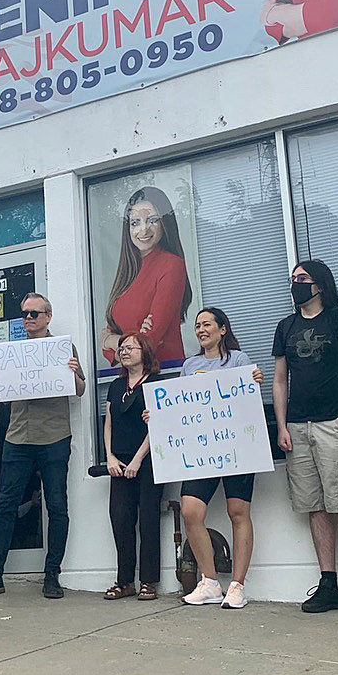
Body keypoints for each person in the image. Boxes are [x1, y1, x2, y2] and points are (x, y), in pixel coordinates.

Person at [272, 260, 338, 618]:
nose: (296, 284)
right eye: (293, 280)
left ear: (319, 284)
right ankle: (328, 584)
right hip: (298, 428)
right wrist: (282, 425)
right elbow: (279, 380)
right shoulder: (285, 326)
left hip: (335, 423)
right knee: (315, 506)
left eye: (302, 279)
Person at [0, 293, 86, 601]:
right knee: (5, 505)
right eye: (24, 314)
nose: (28, 319)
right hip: (18, 436)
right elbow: (1, 395)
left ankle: (52, 574)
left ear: (48, 316)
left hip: (54, 436)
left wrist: (74, 372)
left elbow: (81, 390)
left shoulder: (63, 348)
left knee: (57, 506)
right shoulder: (10, 353)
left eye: (34, 313)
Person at [176, 308, 266, 609]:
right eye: (197, 325)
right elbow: (179, 406)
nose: (201, 330)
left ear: (223, 329)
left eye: (207, 324)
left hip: (237, 447)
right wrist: (158, 415)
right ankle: (211, 582)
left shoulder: (238, 360)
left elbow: (248, 396)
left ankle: (237, 585)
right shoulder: (190, 366)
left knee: (238, 511)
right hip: (202, 449)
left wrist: (255, 380)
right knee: (191, 511)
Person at [100, 186, 192, 368]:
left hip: (161, 374)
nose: (143, 230)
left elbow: (148, 341)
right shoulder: (128, 271)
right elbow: (105, 344)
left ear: (165, 223)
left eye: (152, 220)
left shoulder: (171, 265)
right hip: (132, 376)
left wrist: (111, 340)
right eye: (135, 223)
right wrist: (123, 341)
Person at [102, 332, 162, 602]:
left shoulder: (156, 383)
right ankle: (124, 580)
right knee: (121, 519)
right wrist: (110, 457)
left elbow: (158, 426)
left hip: (149, 461)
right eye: (122, 348)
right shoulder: (116, 386)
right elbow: (109, 423)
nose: (124, 351)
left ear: (144, 352)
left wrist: (138, 460)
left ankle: (149, 581)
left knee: (148, 519)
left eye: (130, 347)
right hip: (119, 461)